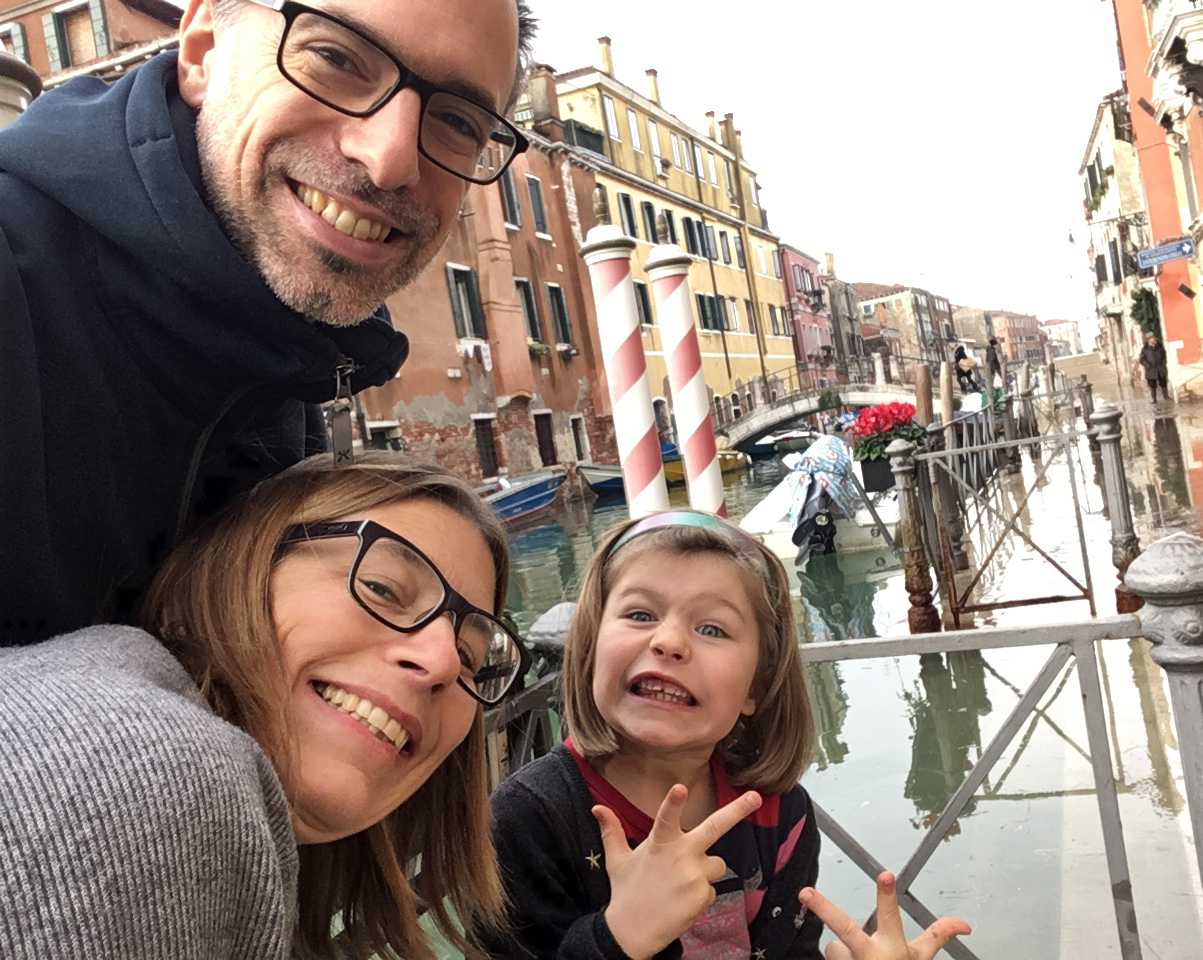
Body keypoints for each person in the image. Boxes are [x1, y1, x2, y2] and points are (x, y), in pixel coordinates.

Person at [0, 0, 537, 647]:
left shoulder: (291, 363)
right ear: (202, 49)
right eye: (336, 58)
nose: (389, 160)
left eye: (456, 120)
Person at [0, 453, 532, 959]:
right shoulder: (143, 763)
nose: (443, 663)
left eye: (470, 657)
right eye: (382, 589)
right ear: (226, 568)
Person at [481, 511, 821, 958]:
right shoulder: (527, 820)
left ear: (756, 686)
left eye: (712, 629)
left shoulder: (781, 813)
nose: (669, 641)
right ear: (590, 649)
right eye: (640, 614)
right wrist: (619, 935)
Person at [1138, 333, 1170, 405]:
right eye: (1152, 338)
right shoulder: (1145, 349)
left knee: (1163, 382)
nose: (1154, 339)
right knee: (1152, 384)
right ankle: (1154, 399)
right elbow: (1142, 359)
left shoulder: (1159, 346)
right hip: (1151, 369)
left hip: (1160, 367)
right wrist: (1147, 365)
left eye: (1154, 337)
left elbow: (1164, 355)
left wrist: (1164, 363)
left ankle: (1166, 396)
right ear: (1149, 339)